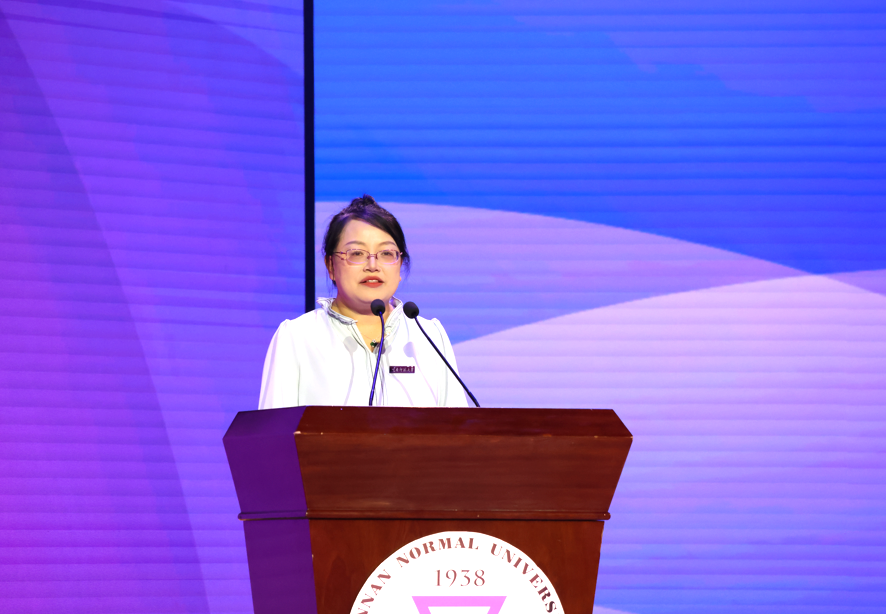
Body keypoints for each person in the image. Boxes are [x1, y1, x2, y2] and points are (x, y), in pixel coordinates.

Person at [258, 195, 469, 409]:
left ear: (400, 266)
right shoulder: (297, 337)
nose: (372, 265)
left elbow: (459, 428)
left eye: (386, 253)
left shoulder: (429, 337)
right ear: (330, 266)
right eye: (357, 253)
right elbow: (273, 429)